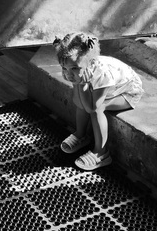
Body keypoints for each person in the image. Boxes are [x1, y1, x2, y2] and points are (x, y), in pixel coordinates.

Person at [54, 32, 144, 171]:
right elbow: (78, 102)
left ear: (91, 63)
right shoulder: (78, 71)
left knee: (99, 108)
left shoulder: (103, 73)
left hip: (127, 93)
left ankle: (101, 153)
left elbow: (92, 108)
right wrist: (79, 83)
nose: (68, 74)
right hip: (100, 88)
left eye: (74, 69)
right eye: (64, 68)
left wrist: (83, 85)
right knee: (83, 104)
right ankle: (81, 134)